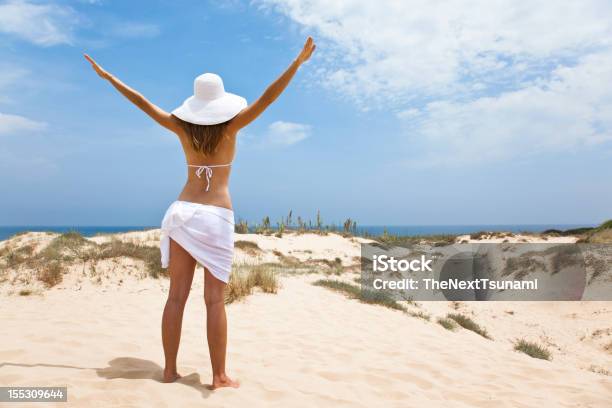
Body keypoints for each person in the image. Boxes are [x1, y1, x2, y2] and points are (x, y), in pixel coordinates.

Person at [84, 37, 316, 389]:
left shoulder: (181, 127)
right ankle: (219, 376)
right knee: (214, 301)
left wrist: (108, 77)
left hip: (182, 211)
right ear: (221, 101)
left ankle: (169, 370)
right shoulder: (232, 125)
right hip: (216, 216)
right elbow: (268, 97)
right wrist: (296, 64)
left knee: (176, 296)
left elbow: (142, 103)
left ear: (195, 103)